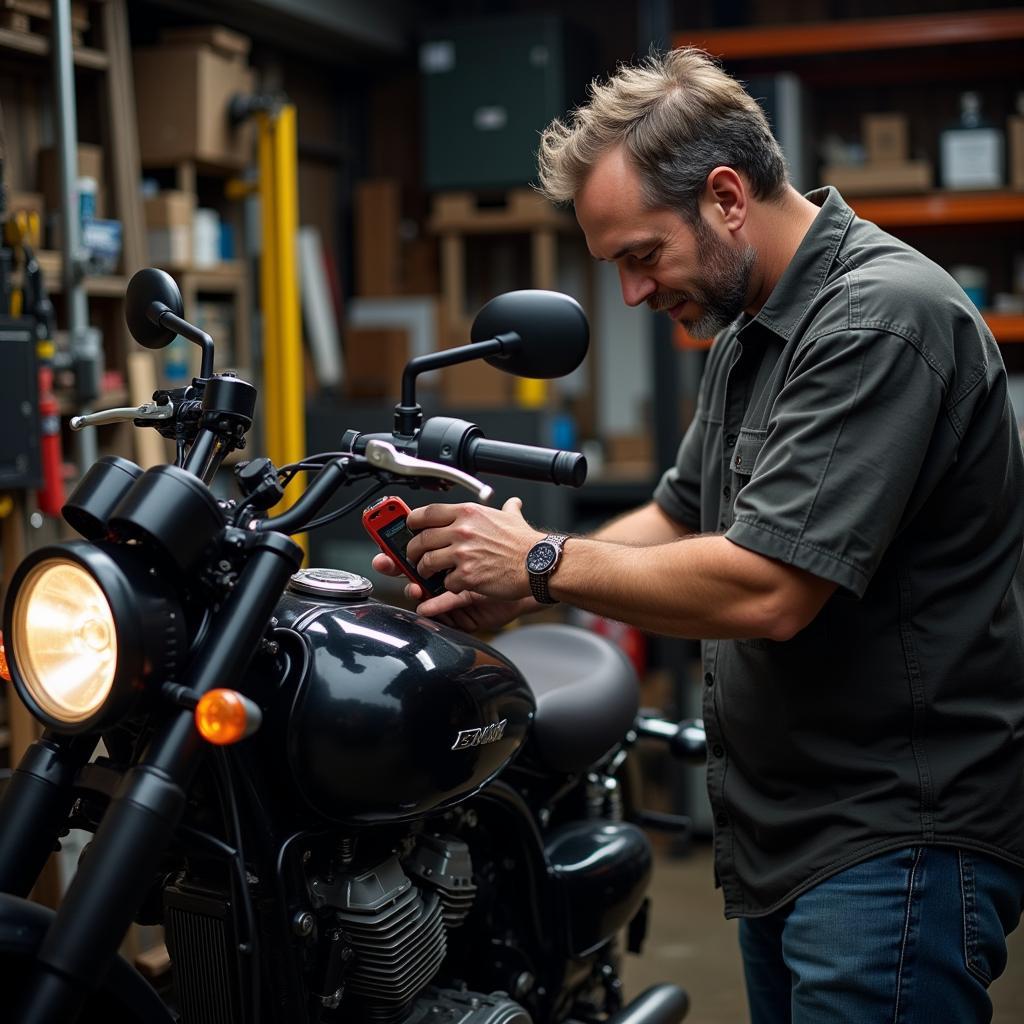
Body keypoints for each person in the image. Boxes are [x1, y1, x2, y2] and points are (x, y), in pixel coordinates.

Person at [373, 48, 1024, 1022]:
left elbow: (769, 587)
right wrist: (509, 574)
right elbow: (678, 515)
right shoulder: (748, 333)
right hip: (791, 835)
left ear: (726, 197)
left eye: (642, 255)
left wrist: (546, 565)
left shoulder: (880, 321)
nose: (633, 293)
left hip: (895, 843)